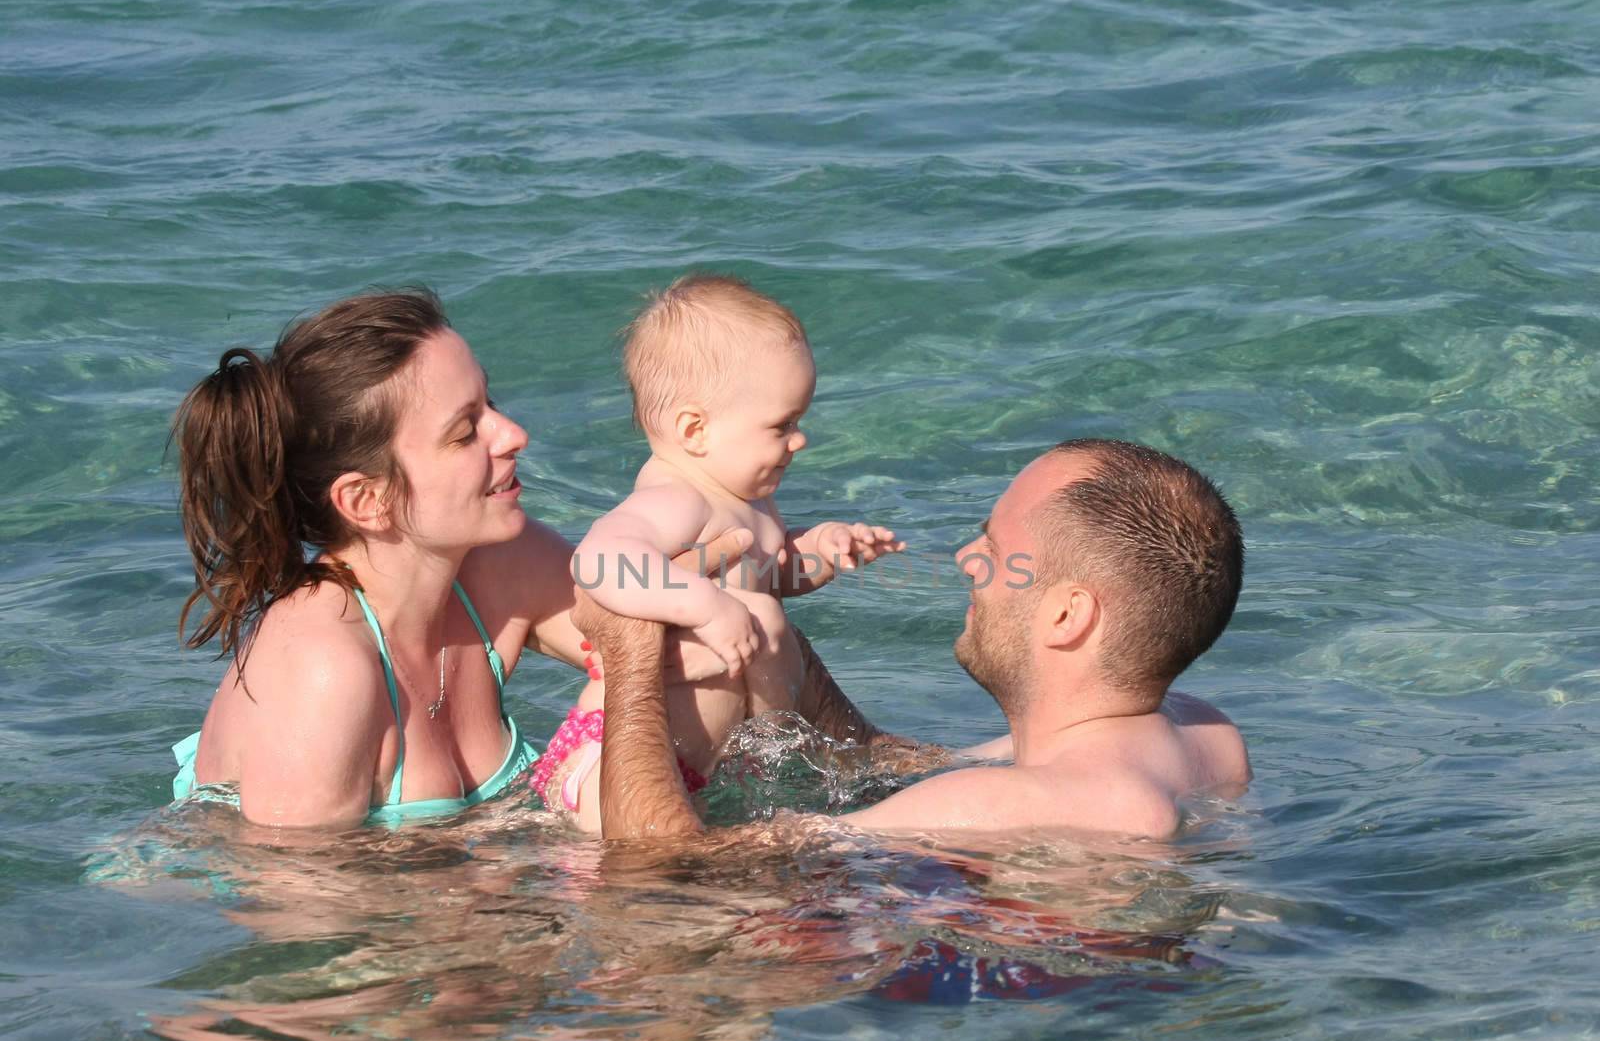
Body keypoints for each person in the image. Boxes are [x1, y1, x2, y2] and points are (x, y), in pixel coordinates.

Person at [168, 288, 751, 829]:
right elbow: (300, 917)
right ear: (368, 500)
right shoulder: (323, 669)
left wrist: (713, 544)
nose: (513, 433)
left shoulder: (496, 566)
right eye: (465, 432)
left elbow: (694, 658)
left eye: (489, 403)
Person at [578, 438, 1251, 841]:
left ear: (1067, 616)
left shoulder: (988, 807)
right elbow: (896, 759)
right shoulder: (1209, 742)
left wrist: (629, 648)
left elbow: (660, 865)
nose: (965, 557)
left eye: (995, 548)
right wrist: (773, 637)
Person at [533, 274, 902, 829]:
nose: (798, 441)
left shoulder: (747, 501)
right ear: (695, 429)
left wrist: (821, 551)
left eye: (800, 422)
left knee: (764, 612)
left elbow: (767, 576)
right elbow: (599, 562)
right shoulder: (677, 497)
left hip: (698, 766)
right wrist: (704, 607)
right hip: (612, 760)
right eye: (782, 425)